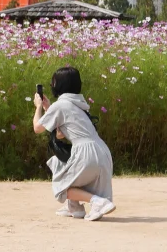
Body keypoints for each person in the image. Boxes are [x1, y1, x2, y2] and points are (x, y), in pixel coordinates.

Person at [33, 66, 116, 221]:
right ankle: (75, 207)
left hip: (86, 153)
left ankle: (97, 202)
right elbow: (60, 133)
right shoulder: (80, 105)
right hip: (101, 151)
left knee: (61, 186)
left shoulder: (60, 105)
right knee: (62, 165)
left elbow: (37, 128)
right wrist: (48, 109)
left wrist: (38, 107)